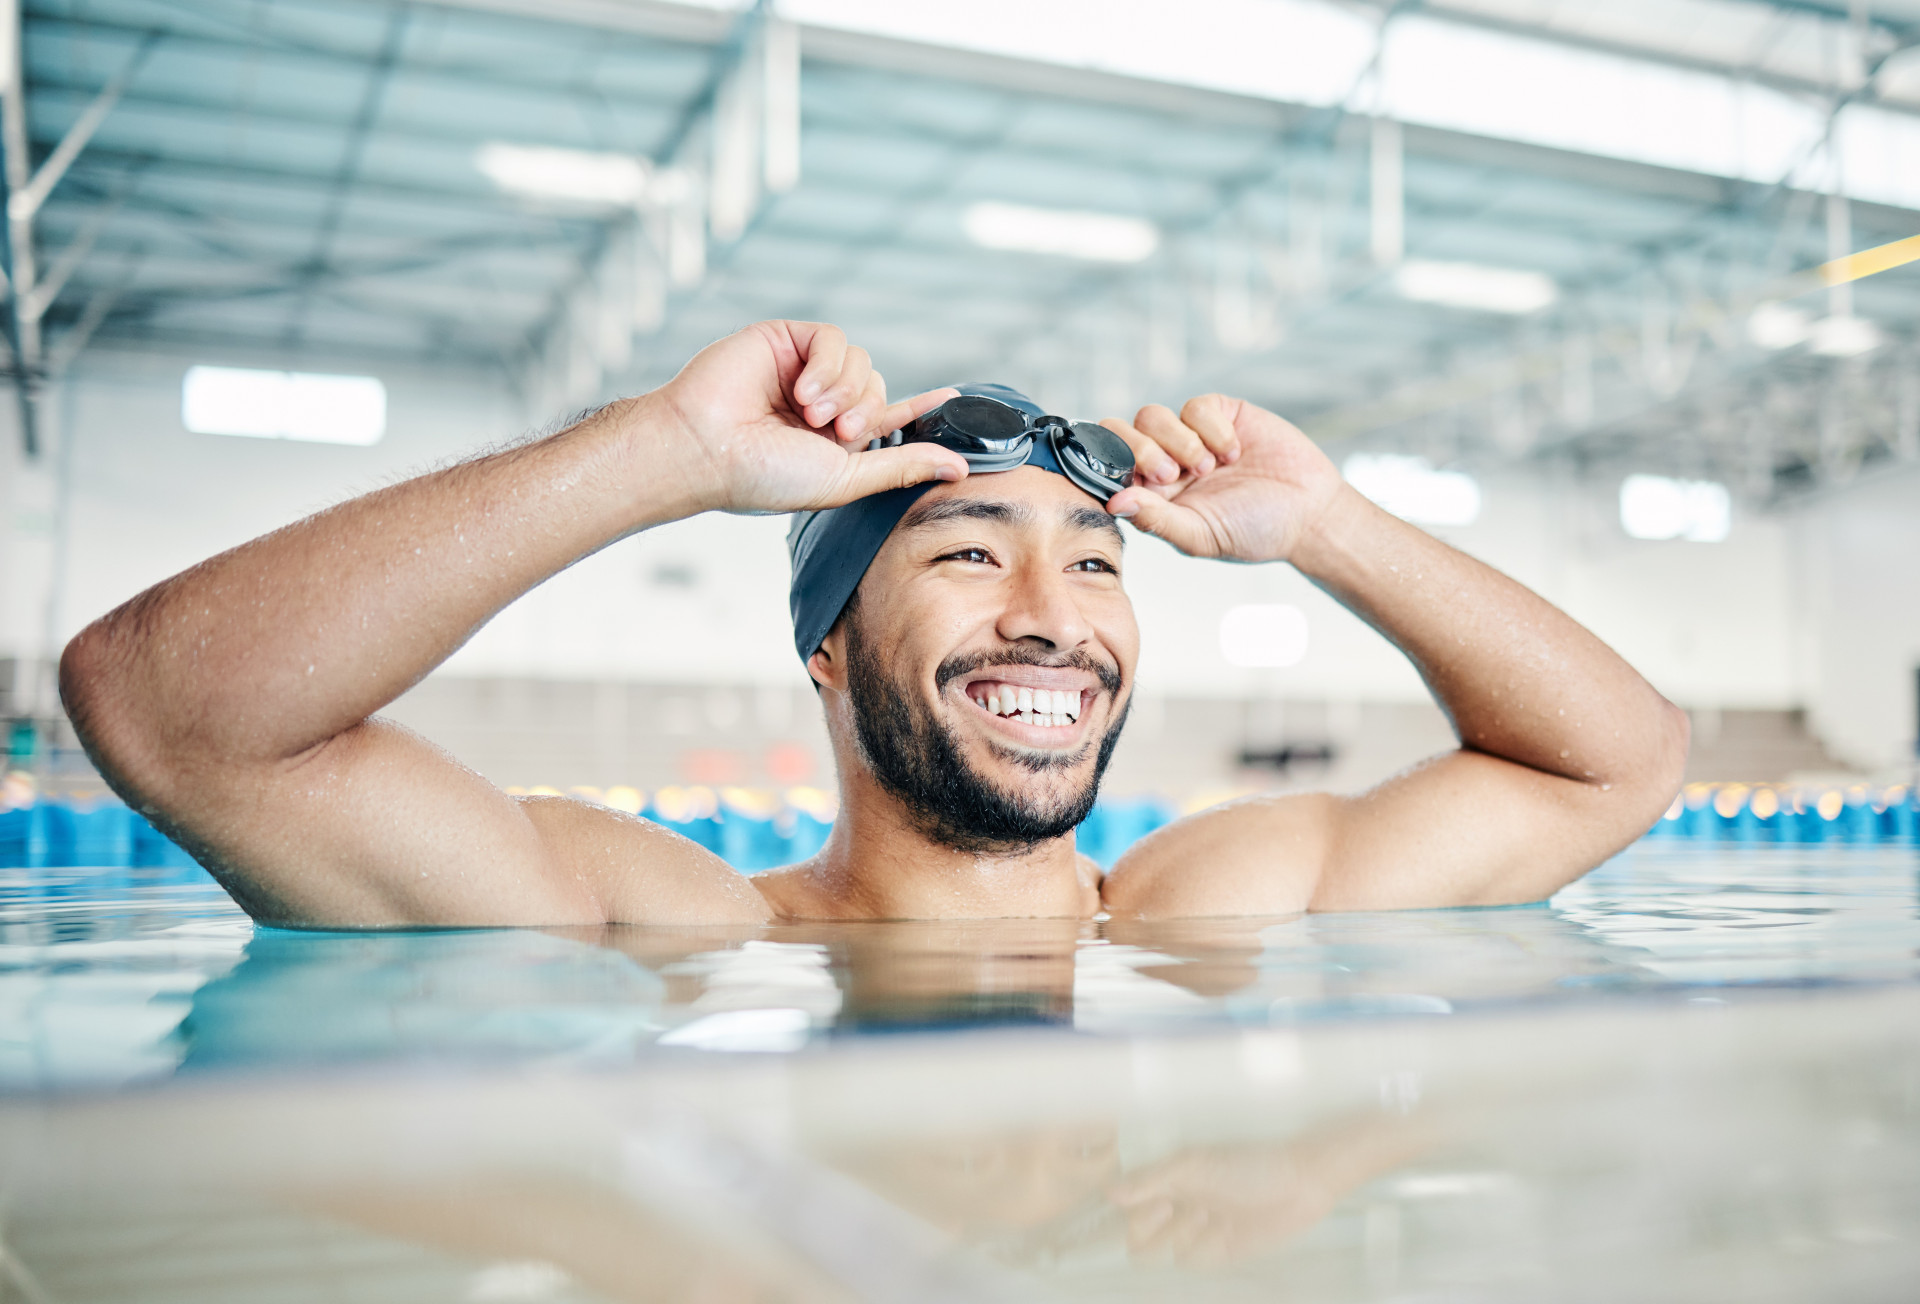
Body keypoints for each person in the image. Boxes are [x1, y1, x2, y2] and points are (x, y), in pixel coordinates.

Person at [59, 320, 1688, 927]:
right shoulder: (675, 928)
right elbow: (169, 717)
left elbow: (1622, 766)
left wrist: (1333, 526)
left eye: (1099, 564)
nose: (1055, 621)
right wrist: (666, 455)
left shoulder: (1216, 902)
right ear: (828, 642)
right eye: (971, 556)